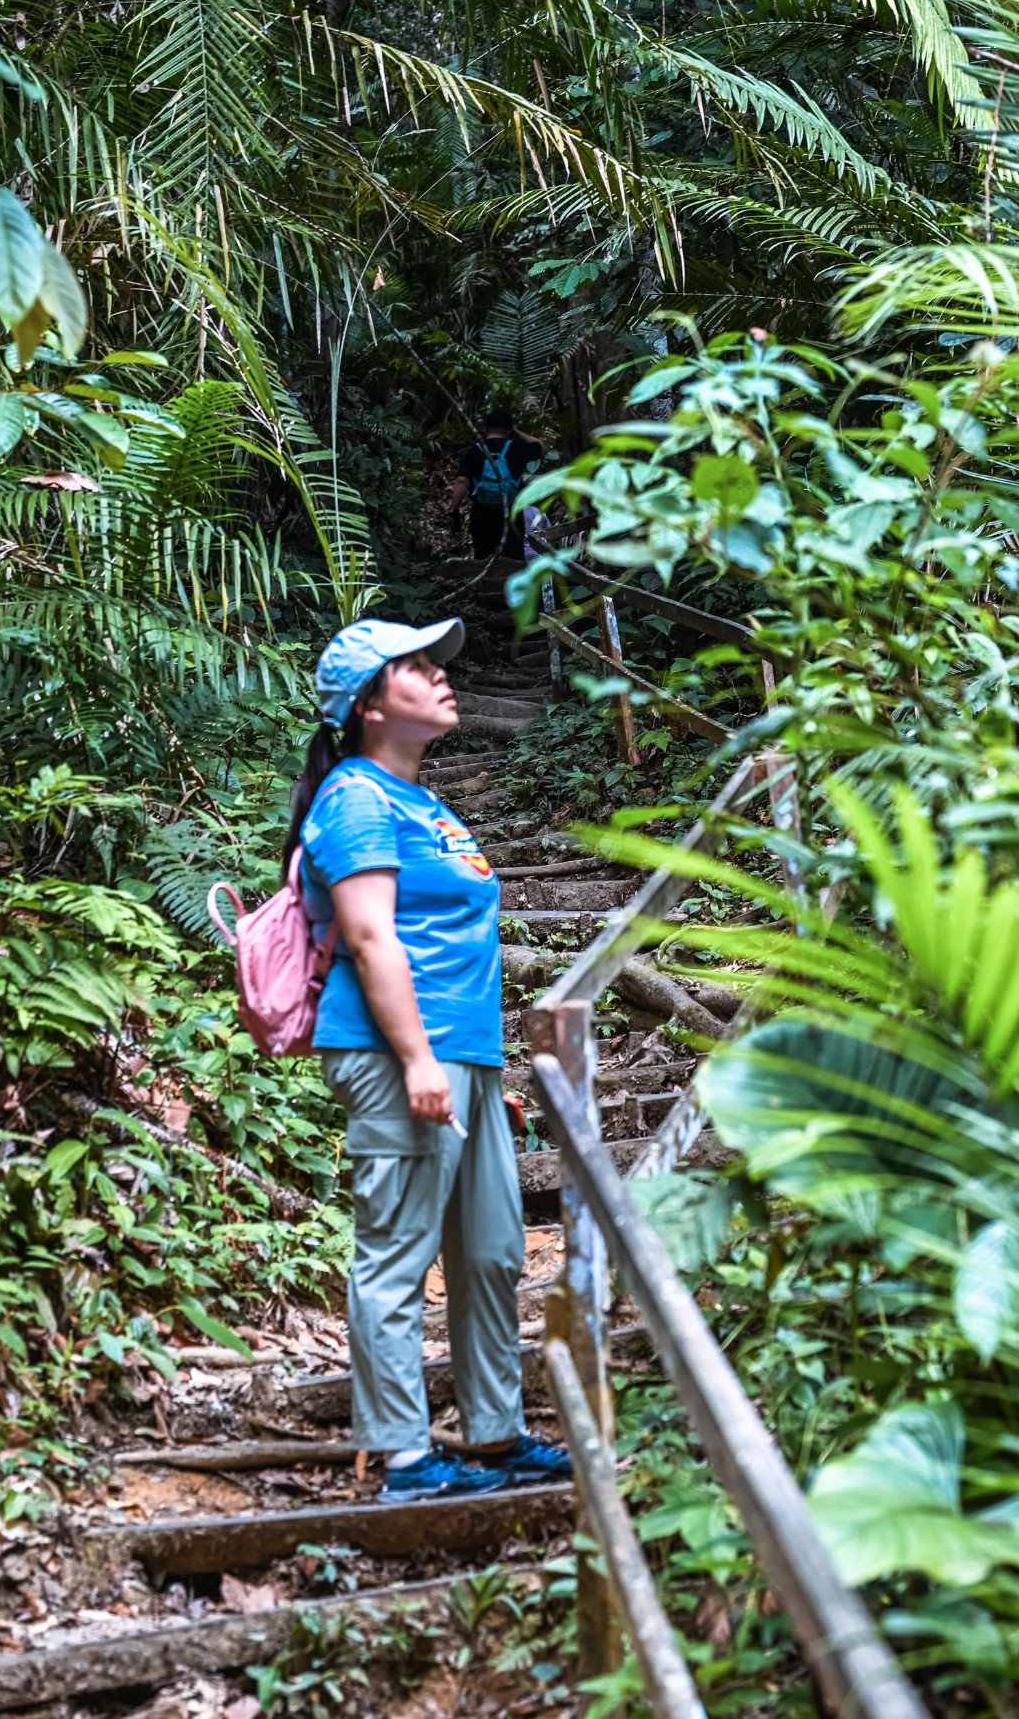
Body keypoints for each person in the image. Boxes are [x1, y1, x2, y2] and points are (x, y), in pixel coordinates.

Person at [284, 616, 572, 1503]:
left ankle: (493, 1431)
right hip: (397, 1052)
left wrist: (479, 1071)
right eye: (414, 667)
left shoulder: (425, 804)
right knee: (398, 1255)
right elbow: (371, 939)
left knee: (489, 1252)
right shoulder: (356, 799)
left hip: (464, 1055)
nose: (442, 676)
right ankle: (404, 1459)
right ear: (370, 706)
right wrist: (417, 1059)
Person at [448, 406, 543, 560]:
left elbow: (461, 481)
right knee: (513, 556)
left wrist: (454, 510)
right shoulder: (517, 448)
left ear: (487, 428)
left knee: (483, 554)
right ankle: (509, 583)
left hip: (482, 512)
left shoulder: (472, 451)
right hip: (511, 512)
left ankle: (485, 581)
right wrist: (515, 431)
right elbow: (539, 446)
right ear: (508, 429)